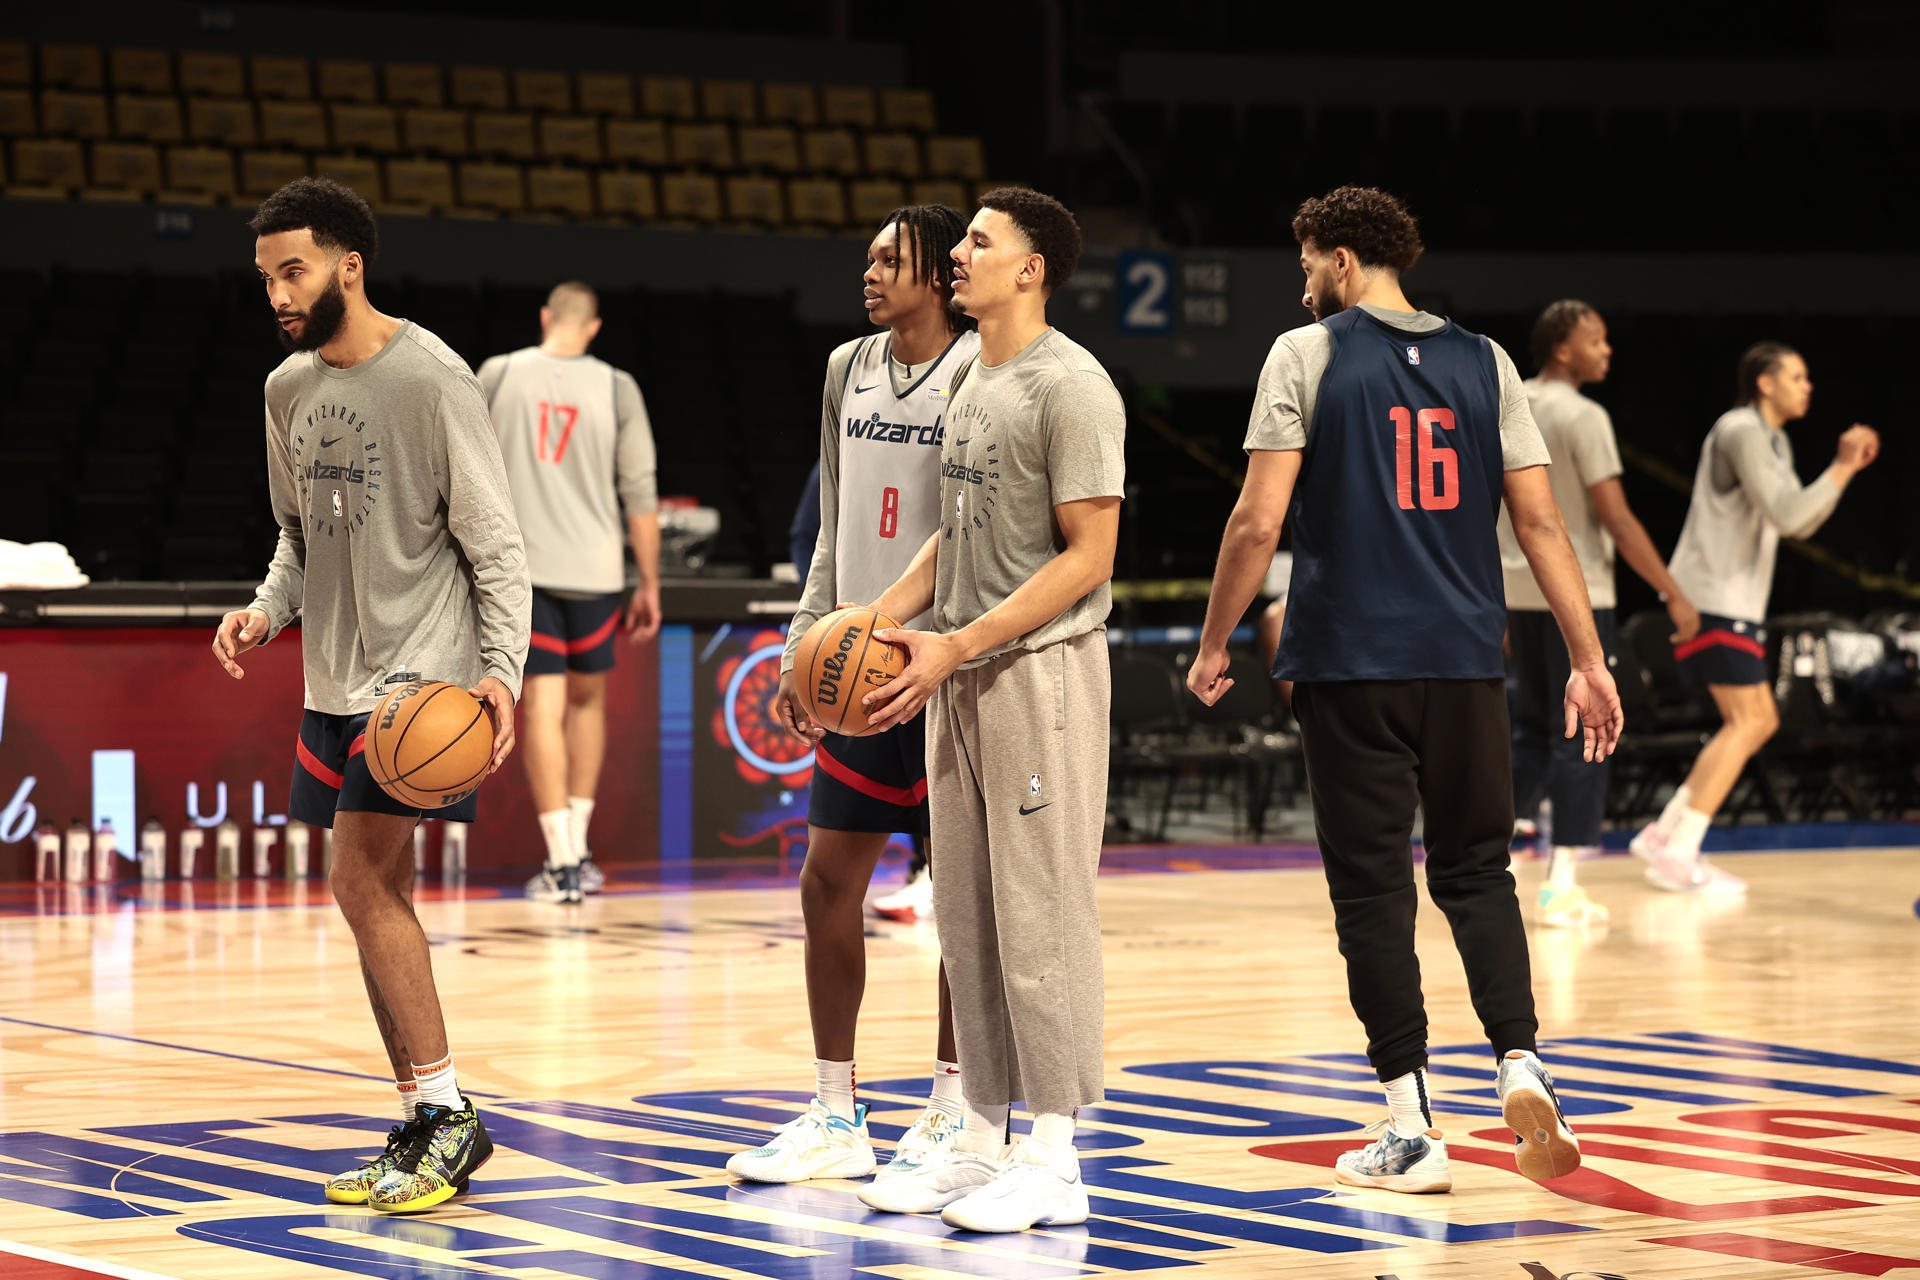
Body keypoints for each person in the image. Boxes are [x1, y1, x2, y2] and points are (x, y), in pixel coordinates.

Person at [1188, 186, 1620, 1195]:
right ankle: (1520, 1059)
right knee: (1477, 873)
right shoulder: (1487, 359)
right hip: (1469, 661)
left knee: (1374, 890)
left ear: (1341, 261)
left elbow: (1257, 521)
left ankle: (1411, 1125)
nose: (1303, 289)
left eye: (1306, 268)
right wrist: (1590, 659)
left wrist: (1216, 643)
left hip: (1349, 664)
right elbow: (1544, 526)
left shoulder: (1309, 353)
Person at [211, 177, 530, 1212]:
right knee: (366, 895)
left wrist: (498, 674)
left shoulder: (433, 376)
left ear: (351, 264)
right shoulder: (285, 391)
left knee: (359, 880)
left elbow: (495, 544)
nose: (276, 293)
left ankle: (449, 1115)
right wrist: (265, 610)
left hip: (422, 684)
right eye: (265, 276)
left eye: (292, 269)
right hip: (331, 679)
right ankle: (426, 1114)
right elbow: (296, 538)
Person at [852, 187, 1124, 1235]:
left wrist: (963, 642)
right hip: (953, 670)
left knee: (1042, 912)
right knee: (965, 909)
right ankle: (977, 1138)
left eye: (978, 241)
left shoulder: (1074, 385)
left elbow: (1091, 555)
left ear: (1031, 269)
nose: (955, 254)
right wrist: (872, 621)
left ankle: (1054, 1158)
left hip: (1037, 675)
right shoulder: (972, 374)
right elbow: (951, 535)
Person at [726, 206, 978, 1186]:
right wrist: (806, 643)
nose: (870, 271)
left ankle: (954, 1110)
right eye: (867, 256)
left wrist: (911, 636)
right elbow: (832, 518)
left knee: (960, 899)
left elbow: (973, 530)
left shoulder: (978, 372)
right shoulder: (846, 368)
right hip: (856, 663)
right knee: (827, 884)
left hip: (942, 665)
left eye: (890, 258)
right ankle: (837, 1113)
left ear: (939, 274)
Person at [1631, 344, 1879, 891]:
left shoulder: (1775, 439)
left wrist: (1843, 474)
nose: (1807, 385)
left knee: (1754, 721)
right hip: (1710, 598)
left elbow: (1800, 521)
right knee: (1750, 721)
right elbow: (1791, 515)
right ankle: (1680, 847)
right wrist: (1839, 465)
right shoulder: (1741, 429)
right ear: (1765, 383)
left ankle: (1664, 832)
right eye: (1797, 375)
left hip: (1732, 600)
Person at [1495, 301, 1701, 928]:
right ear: (1562, 349)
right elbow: (1615, 517)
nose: (1606, 350)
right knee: (1586, 733)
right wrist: (1671, 590)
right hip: (1576, 596)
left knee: (1529, 729)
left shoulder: (1508, 400)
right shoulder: (1585, 415)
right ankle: (1561, 885)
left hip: (1512, 593)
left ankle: (1482, 855)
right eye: (1596, 339)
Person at [477, 283, 661, 905]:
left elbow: (463, 472)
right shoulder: (617, 386)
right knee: (587, 707)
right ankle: (577, 854)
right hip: (597, 571)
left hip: (519, 572)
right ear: (594, 327)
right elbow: (640, 493)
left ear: (546, 318)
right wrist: (651, 582)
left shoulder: (498, 374)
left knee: (543, 710)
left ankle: (559, 861)